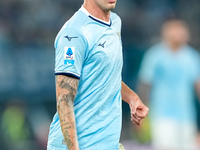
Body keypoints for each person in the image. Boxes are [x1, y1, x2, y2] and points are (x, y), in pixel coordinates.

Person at [47, 0, 149, 150]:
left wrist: (132, 98)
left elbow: (105, 74)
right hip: (78, 145)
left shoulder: (115, 22)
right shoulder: (74, 34)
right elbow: (64, 99)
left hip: (107, 144)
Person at [138, 19, 200, 150]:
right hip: (162, 115)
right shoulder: (155, 55)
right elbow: (145, 85)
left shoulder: (192, 57)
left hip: (187, 115)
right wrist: (140, 113)